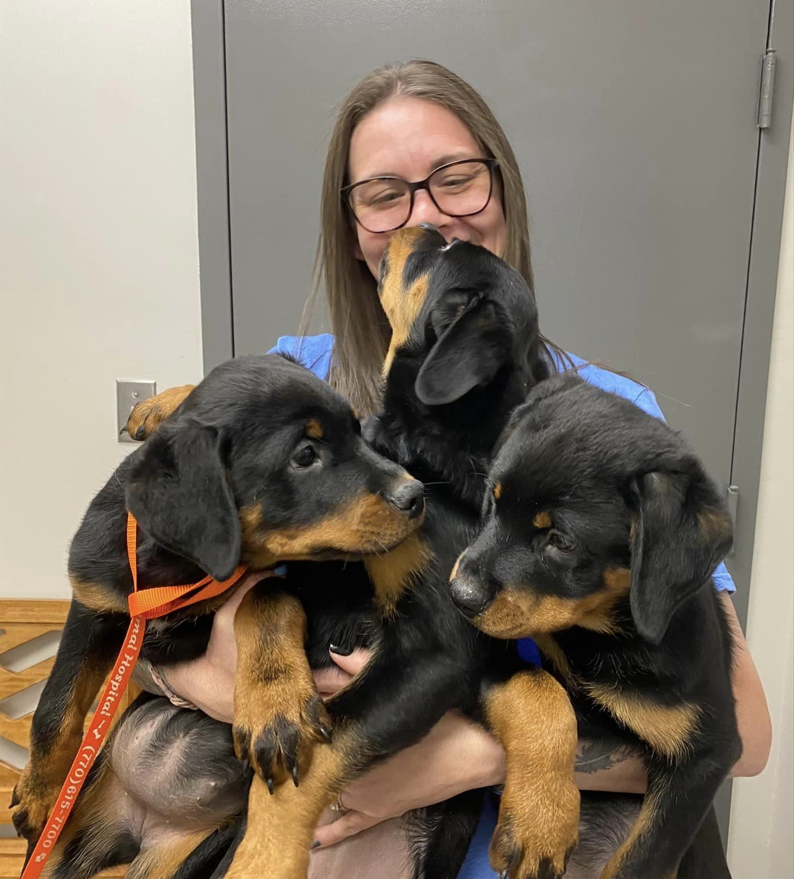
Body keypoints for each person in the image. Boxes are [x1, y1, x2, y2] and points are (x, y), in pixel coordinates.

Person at [140, 61, 772, 876]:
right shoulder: (294, 386)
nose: (428, 215)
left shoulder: (607, 415)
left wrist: (465, 753)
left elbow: (743, 735)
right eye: (383, 193)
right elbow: (156, 611)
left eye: (456, 177)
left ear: (502, 188)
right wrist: (264, 672)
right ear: (352, 223)